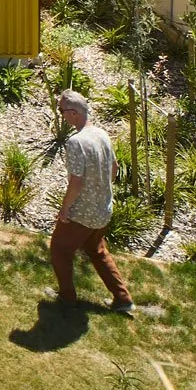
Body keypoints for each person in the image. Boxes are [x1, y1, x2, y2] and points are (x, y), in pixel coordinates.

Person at [51, 90, 134, 312]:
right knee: (96, 249)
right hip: (103, 209)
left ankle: (67, 298)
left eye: (63, 111)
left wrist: (65, 209)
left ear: (74, 112)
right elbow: (114, 169)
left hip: (83, 214)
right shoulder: (101, 134)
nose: (62, 116)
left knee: (60, 250)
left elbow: (76, 182)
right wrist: (101, 190)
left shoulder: (76, 142)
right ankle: (123, 299)